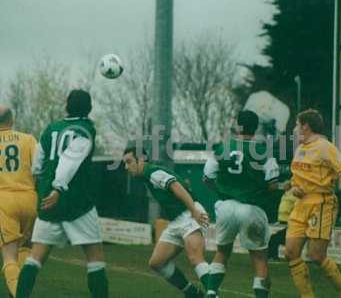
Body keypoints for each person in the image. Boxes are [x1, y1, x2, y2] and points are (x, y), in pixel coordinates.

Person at [16, 90, 108, 298]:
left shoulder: (51, 129)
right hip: (77, 203)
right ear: (90, 108)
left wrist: (46, 186)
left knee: (35, 258)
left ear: (66, 106)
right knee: (95, 258)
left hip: (48, 203)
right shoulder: (84, 130)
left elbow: (37, 165)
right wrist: (59, 187)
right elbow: (70, 160)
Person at [285, 109, 341, 298]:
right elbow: (298, 178)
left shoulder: (325, 146)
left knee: (317, 255)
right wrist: (293, 187)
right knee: (290, 252)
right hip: (301, 204)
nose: (294, 129)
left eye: (296, 125)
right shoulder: (300, 148)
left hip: (321, 203)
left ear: (305, 126)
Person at [203, 110, 279, 298]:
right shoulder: (263, 152)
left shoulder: (221, 149)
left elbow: (207, 178)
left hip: (226, 207)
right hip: (251, 208)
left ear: (238, 126)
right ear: (256, 128)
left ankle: (211, 291)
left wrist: (222, 190)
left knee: (222, 252)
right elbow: (273, 185)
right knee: (259, 258)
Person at [123, 146, 210, 298]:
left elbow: (176, 186)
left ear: (141, 160)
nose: (126, 167)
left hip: (189, 214)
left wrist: (194, 211)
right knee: (157, 263)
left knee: (195, 257)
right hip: (177, 220)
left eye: (129, 162)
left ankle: (213, 294)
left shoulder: (152, 172)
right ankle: (192, 293)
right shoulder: (147, 175)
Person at [0, 106, 37, 297]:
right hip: (30, 199)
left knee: (9, 257)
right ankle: (21, 288)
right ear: (11, 120)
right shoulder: (28, 139)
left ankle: (18, 293)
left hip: (4, 201)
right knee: (25, 248)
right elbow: (40, 167)